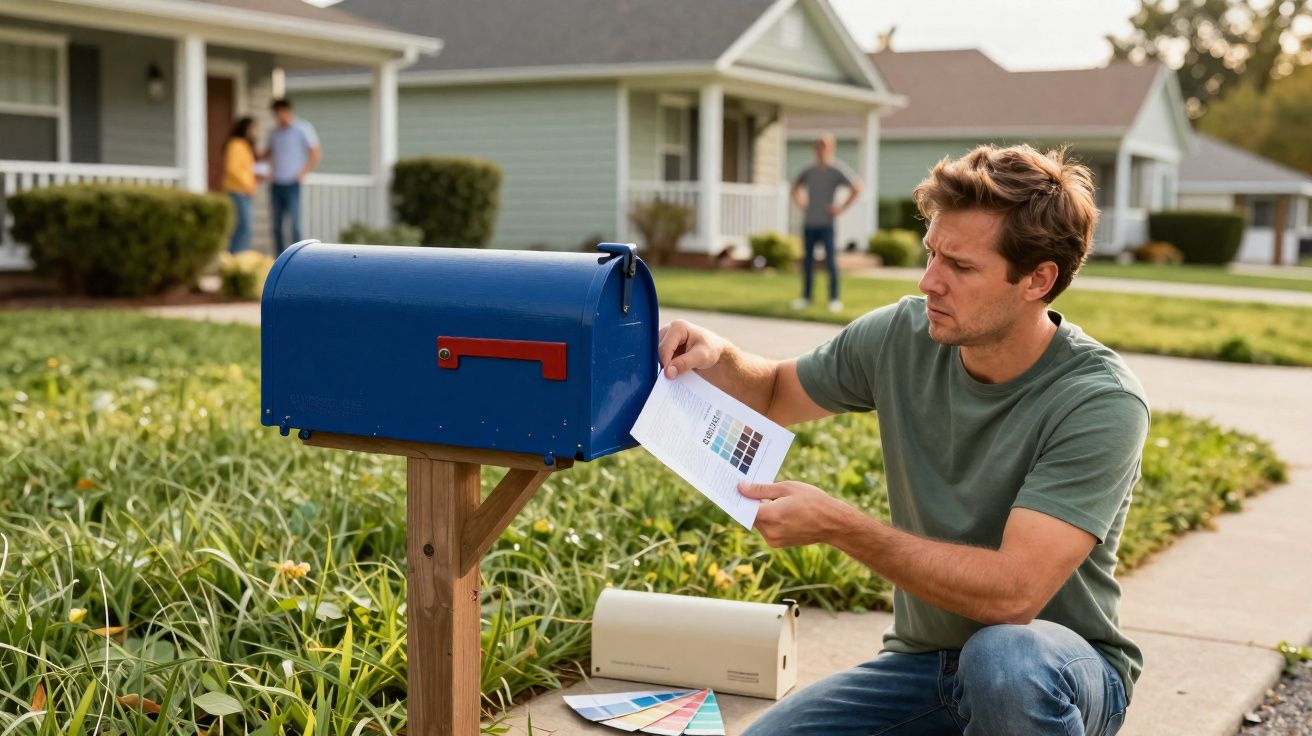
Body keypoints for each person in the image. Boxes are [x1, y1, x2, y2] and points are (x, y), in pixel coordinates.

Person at [659, 144, 1146, 736]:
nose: (929, 281)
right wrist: (717, 355)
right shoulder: (901, 335)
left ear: (1038, 280)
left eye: (961, 267)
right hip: (922, 669)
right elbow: (775, 392)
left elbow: (1012, 596)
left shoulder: (1098, 401)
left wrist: (841, 526)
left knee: (1004, 661)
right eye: (931, 254)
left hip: (1059, 675)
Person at [791, 133, 863, 313]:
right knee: (808, 262)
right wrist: (801, 203)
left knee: (831, 262)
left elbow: (856, 187)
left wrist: (841, 208)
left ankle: (834, 299)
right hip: (809, 224)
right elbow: (795, 187)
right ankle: (806, 297)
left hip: (827, 225)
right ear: (814, 150)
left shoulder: (836, 170)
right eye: (818, 148)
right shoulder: (809, 171)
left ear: (831, 149)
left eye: (824, 148)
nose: (821, 151)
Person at [266, 98, 322, 256]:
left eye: (280, 113)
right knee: (277, 226)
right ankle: (278, 259)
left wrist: (304, 172)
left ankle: (298, 258)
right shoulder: (274, 132)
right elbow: (268, 153)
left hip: (292, 183)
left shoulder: (303, 128)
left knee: (295, 225)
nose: (278, 117)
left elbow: (315, 152)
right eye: (276, 114)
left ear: (288, 111)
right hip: (276, 182)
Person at [222, 117, 258, 254]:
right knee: (244, 227)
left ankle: (238, 256)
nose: (255, 132)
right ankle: (237, 257)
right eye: (253, 129)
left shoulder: (244, 146)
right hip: (237, 191)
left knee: (242, 226)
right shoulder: (236, 145)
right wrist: (247, 185)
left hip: (244, 191)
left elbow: (245, 169)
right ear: (246, 129)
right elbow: (233, 169)